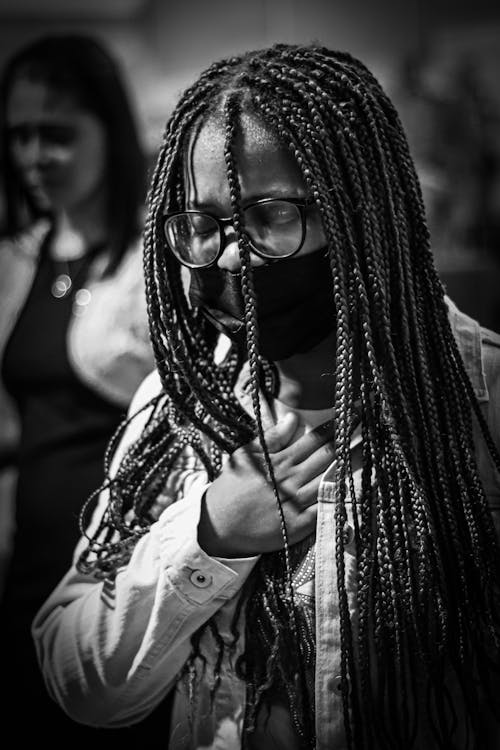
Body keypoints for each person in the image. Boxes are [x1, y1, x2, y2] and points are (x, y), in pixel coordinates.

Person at [33, 42, 500, 750]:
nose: (226, 256)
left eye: (269, 216)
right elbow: (79, 680)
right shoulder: (176, 410)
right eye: (202, 225)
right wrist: (207, 535)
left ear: (360, 216)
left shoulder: (483, 404)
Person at [0, 34, 156, 739]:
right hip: (28, 568)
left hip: (120, 580)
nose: (35, 157)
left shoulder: (154, 260)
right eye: (20, 136)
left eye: (56, 134)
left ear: (110, 132)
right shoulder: (18, 258)